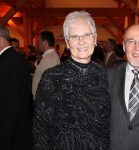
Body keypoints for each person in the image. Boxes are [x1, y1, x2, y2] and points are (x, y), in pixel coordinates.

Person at [33, 11, 110, 150]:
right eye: (74, 36)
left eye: (87, 35)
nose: (82, 41)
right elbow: (41, 129)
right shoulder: (52, 77)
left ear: (95, 38)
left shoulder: (105, 75)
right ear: (67, 42)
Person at [0, 26, 33, 150]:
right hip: (21, 125)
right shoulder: (17, 57)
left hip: (10, 131)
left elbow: (8, 104)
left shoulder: (4, 63)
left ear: (1, 41)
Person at [32, 31, 60, 100]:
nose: (37, 44)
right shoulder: (47, 57)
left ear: (45, 43)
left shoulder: (51, 58)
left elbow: (51, 84)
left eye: (39, 41)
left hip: (44, 101)